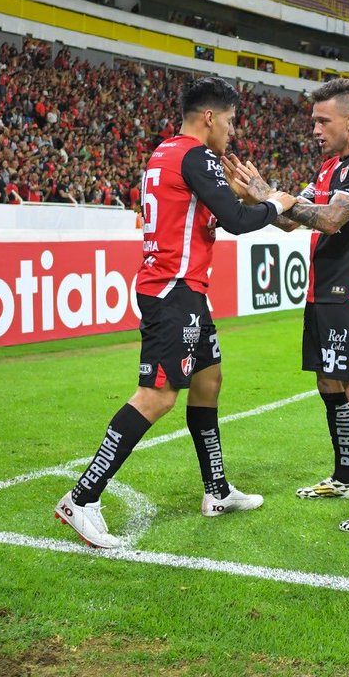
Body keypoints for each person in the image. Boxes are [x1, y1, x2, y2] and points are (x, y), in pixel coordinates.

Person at [55, 76, 297, 549]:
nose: (231, 133)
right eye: (228, 122)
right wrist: (271, 204)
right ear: (209, 117)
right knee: (158, 395)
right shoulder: (195, 155)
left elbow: (200, 218)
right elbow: (236, 222)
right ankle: (82, 498)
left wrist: (239, 200)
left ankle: (217, 490)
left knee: (208, 381)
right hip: (172, 290)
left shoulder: (164, 153)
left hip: (184, 290)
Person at [238, 78, 349, 532]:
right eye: (313, 121)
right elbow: (292, 222)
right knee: (329, 383)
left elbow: (328, 220)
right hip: (319, 292)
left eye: (322, 121)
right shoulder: (328, 169)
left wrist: (279, 198)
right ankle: (345, 478)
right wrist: (262, 197)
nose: (314, 129)